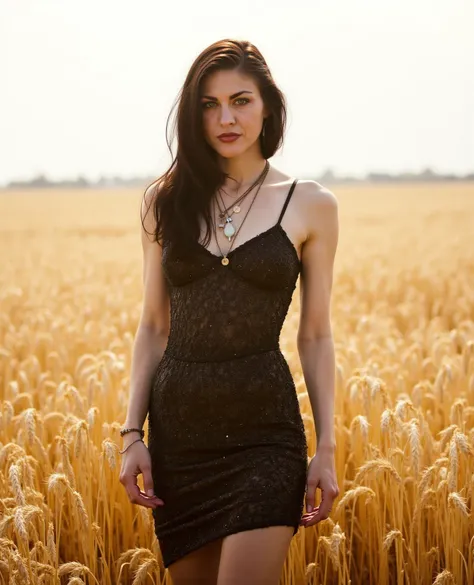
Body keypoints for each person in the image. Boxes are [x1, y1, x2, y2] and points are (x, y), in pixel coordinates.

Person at [119, 38, 340, 585]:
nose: (225, 118)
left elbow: (314, 336)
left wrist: (328, 448)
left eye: (241, 101)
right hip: (179, 437)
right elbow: (153, 324)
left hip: (265, 435)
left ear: (268, 105)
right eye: (209, 104)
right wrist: (131, 434)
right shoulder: (164, 201)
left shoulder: (311, 204)